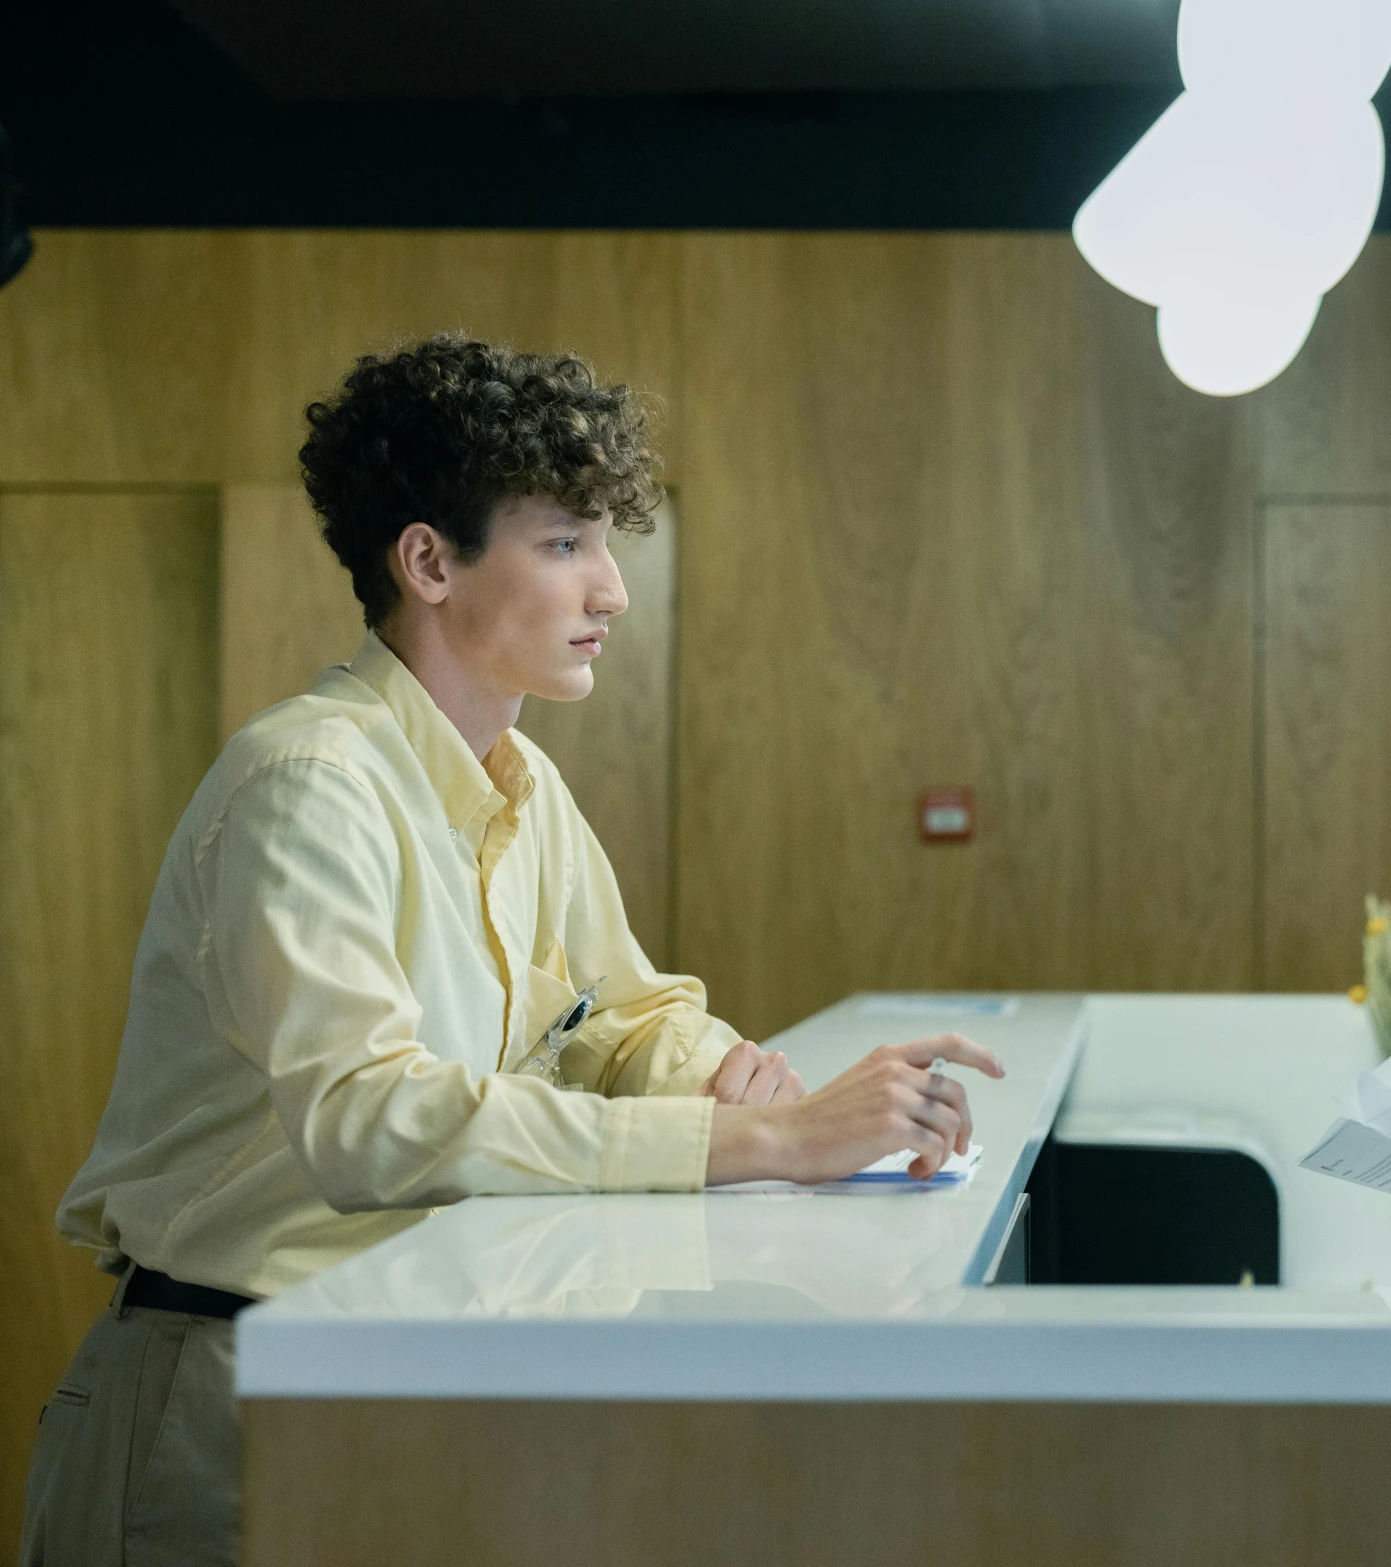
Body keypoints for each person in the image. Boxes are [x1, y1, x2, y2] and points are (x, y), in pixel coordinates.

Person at [18, 334, 1004, 1566]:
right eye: (563, 544)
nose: (612, 590)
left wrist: (719, 1069)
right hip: (229, 1387)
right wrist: (761, 1141)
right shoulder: (309, 781)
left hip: (392, 1376)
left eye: (604, 542)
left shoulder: (520, 781)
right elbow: (368, 1118)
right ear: (428, 560)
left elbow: (621, 1009)